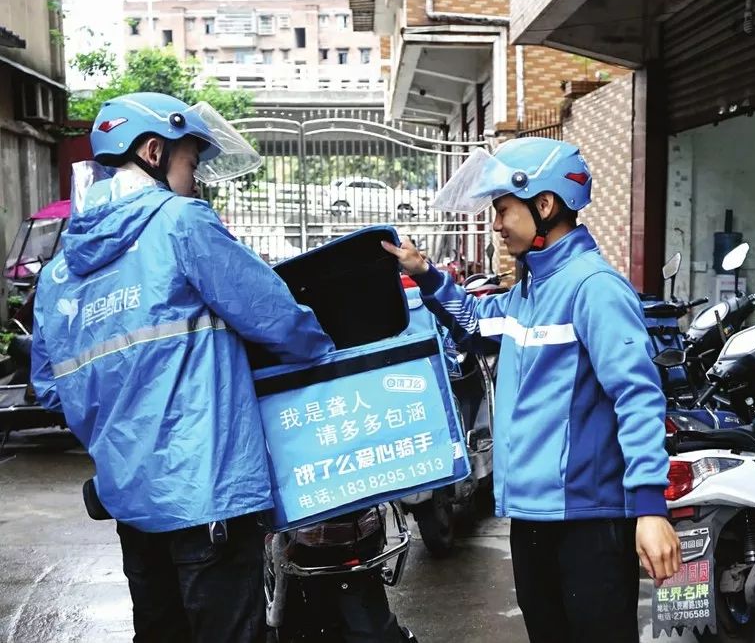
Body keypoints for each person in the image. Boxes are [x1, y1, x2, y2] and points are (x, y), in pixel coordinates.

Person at [30, 92, 335, 643]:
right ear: (153, 150)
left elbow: (51, 390)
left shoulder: (57, 276)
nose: (196, 180)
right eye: (192, 163)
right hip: (207, 491)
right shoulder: (181, 223)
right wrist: (323, 350)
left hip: (130, 500)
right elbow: (277, 319)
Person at [383, 137, 682, 643]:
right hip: (534, 517)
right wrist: (426, 275)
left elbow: (639, 398)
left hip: (589, 521)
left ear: (544, 205)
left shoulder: (594, 288)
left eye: (502, 209)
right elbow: (476, 326)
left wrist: (650, 508)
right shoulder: (530, 288)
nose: (496, 224)